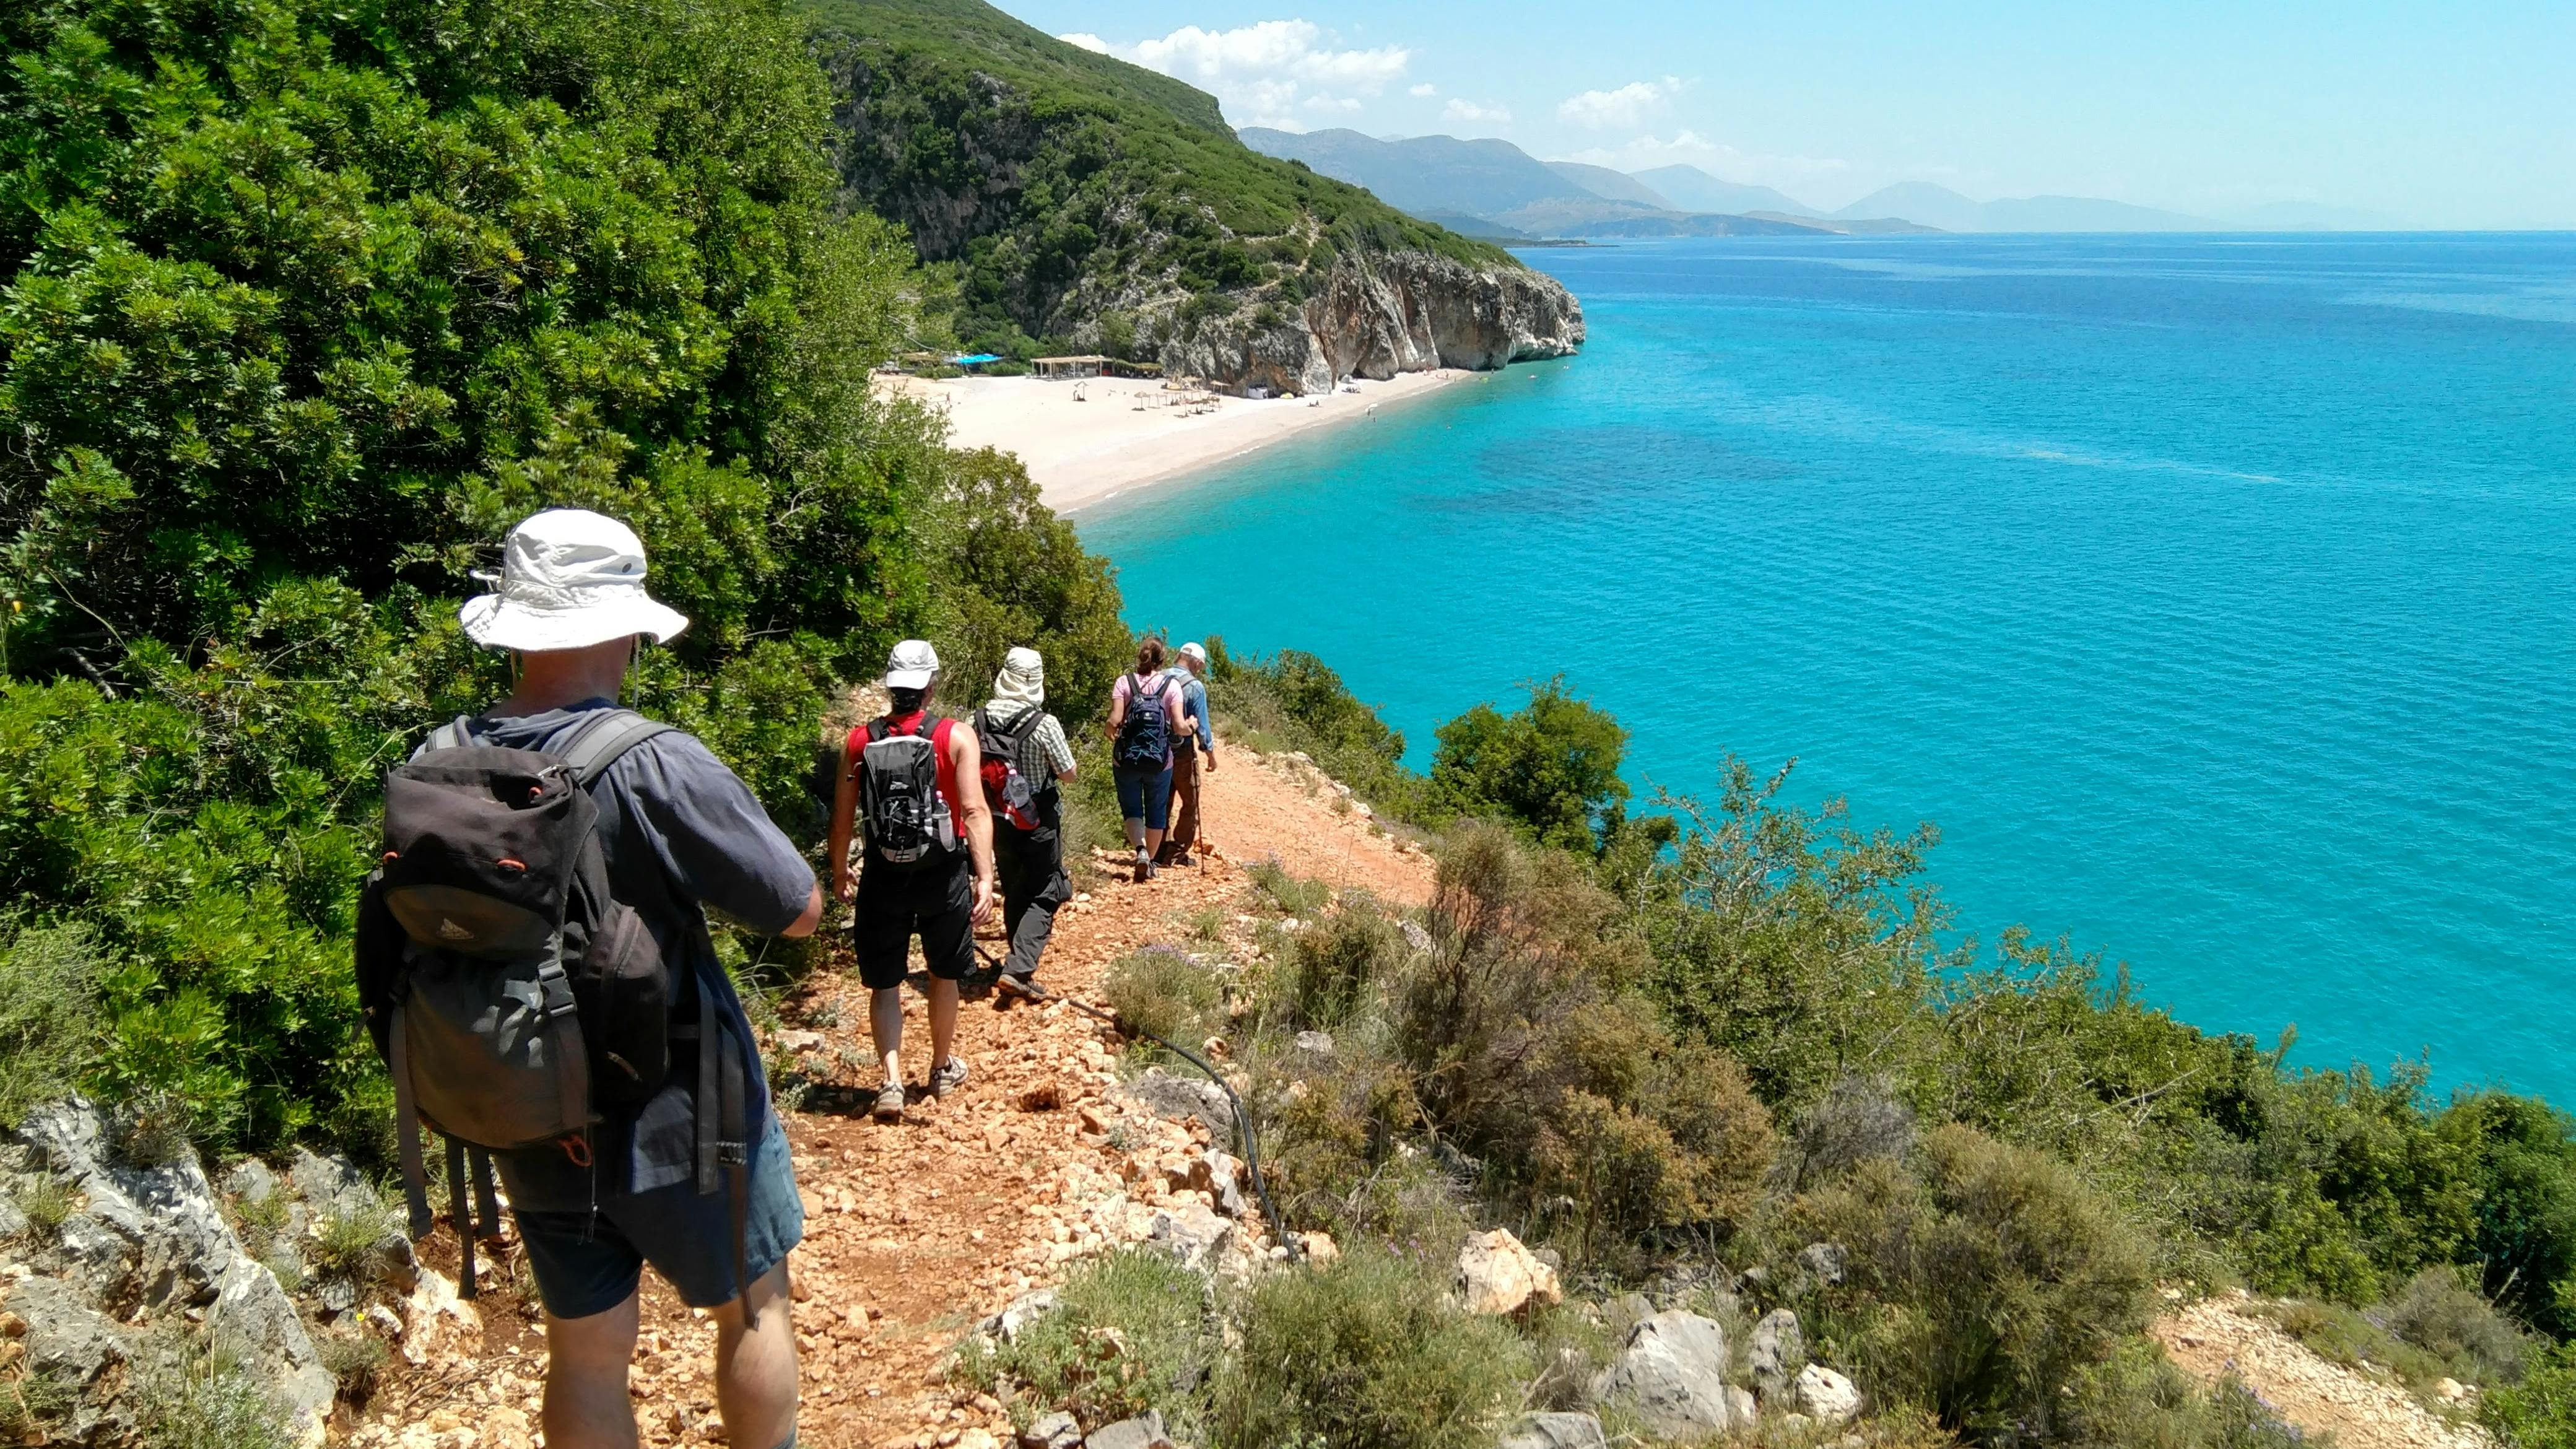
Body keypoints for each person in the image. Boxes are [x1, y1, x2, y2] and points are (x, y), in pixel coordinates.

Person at [450, 509, 821, 1449]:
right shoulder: (650, 758)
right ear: (623, 625)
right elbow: (795, 904)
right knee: (751, 1306)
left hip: (522, 1100)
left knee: (583, 1352)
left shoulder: (440, 758)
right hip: (680, 1109)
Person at [826, 640, 996, 1121]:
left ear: (891, 684)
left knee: (885, 983)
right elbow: (974, 810)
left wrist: (840, 871)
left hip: (883, 874)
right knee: (944, 975)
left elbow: (842, 820)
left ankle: (892, 1081)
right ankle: (941, 1069)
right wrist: (984, 876)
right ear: (931, 685)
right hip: (942, 872)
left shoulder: (860, 741)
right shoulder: (955, 736)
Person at [971, 647, 1077, 1001]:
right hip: (1037, 819)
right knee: (1048, 889)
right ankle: (1019, 969)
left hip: (995, 817)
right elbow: (1069, 773)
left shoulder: (979, 719)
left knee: (1016, 886)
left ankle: (1015, 962)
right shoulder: (1043, 723)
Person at [1106, 638, 1194, 883]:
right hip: (1160, 761)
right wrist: (1191, 726)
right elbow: (1179, 726)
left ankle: (1141, 851)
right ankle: (1151, 863)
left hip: (1127, 760)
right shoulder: (1171, 686)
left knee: (1132, 809)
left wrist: (1109, 732)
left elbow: (1114, 721)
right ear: (1162, 660)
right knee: (1156, 813)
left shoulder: (1124, 683)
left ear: (1140, 657)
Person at [1157, 642, 1219, 867]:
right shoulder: (1195, 687)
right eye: (1201, 667)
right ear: (1197, 663)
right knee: (1190, 801)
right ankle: (1176, 853)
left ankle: (1155, 848)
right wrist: (1210, 755)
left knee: (1161, 800)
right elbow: (1203, 728)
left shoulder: (1158, 677)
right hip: (1181, 752)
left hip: (1155, 751)